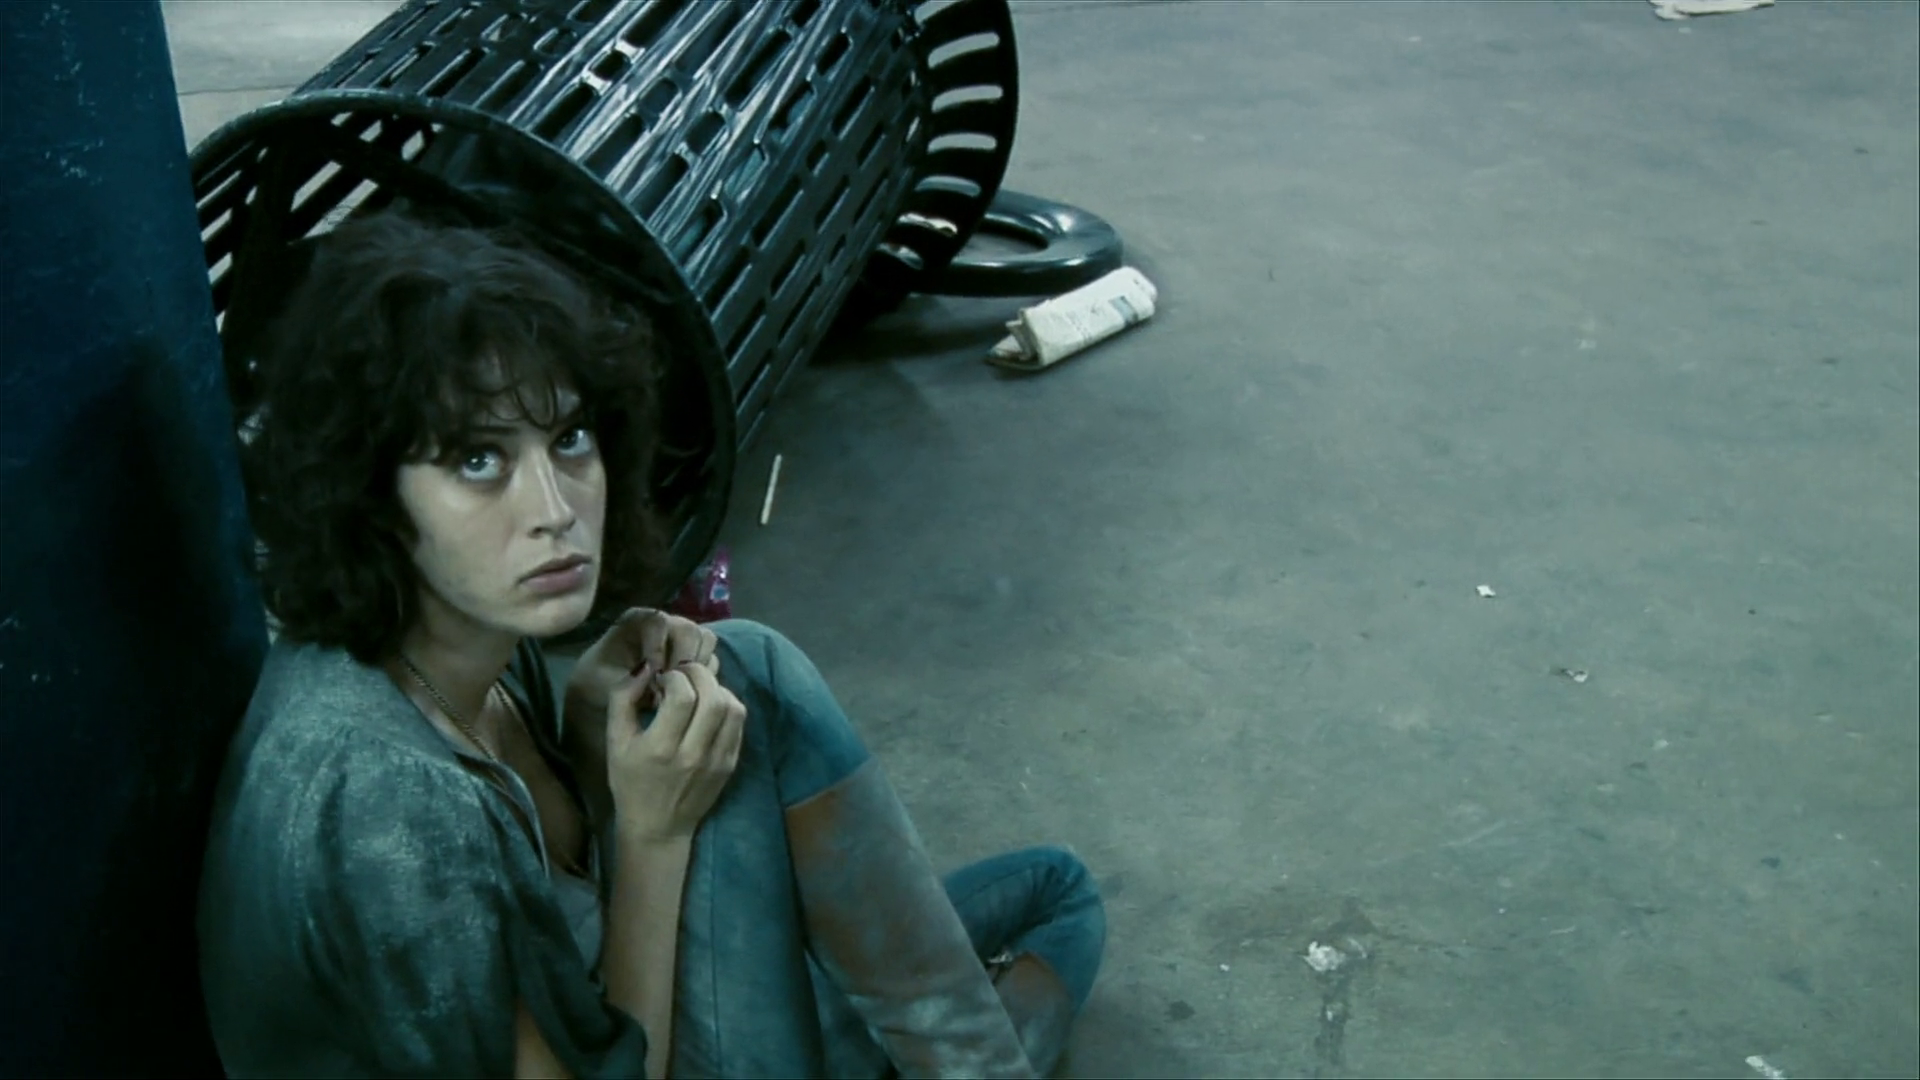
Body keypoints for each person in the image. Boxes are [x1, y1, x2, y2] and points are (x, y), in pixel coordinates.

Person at [195, 210, 1104, 1079]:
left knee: (1057, 892)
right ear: (370, 494)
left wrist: (591, 739)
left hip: (635, 997)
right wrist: (653, 834)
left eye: (568, 439)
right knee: (753, 671)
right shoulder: (386, 807)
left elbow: (566, 894)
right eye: (478, 460)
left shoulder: (467, 639)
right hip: (630, 1048)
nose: (554, 510)